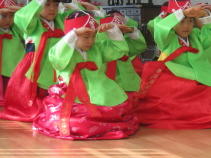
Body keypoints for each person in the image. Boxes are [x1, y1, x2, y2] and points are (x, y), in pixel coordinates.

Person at [32, 10, 139, 140]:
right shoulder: (60, 49)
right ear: (72, 36)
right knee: (71, 122)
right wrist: (74, 33)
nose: (91, 41)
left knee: (115, 110)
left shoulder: (97, 48)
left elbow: (119, 49)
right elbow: (57, 59)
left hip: (98, 86)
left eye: (93, 36)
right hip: (71, 88)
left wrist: (112, 30)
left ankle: (99, 126)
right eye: (86, 37)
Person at [133, 0, 211, 130]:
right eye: (181, 22)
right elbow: (160, 27)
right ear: (173, 22)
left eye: (190, 21)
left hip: (197, 72)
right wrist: (182, 13)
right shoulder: (166, 39)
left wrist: (205, 15)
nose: (186, 26)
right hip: (173, 74)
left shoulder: (196, 37)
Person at [1, 0, 83, 122]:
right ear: (37, 6)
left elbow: (80, 17)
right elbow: (22, 16)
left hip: (58, 64)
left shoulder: (61, 20)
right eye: (47, 4)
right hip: (36, 64)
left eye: (56, 5)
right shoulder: (32, 23)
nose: (52, 9)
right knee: (36, 99)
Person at [98, 11, 146, 93]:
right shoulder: (97, 44)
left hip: (128, 82)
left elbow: (140, 46)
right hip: (104, 86)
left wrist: (130, 31)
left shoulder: (124, 43)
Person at [0, 0, 25, 106]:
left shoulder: (16, 29)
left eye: (11, 16)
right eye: (3, 16)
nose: (8, 20)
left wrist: (20, 10)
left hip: (16, 71)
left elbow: (28, 21)